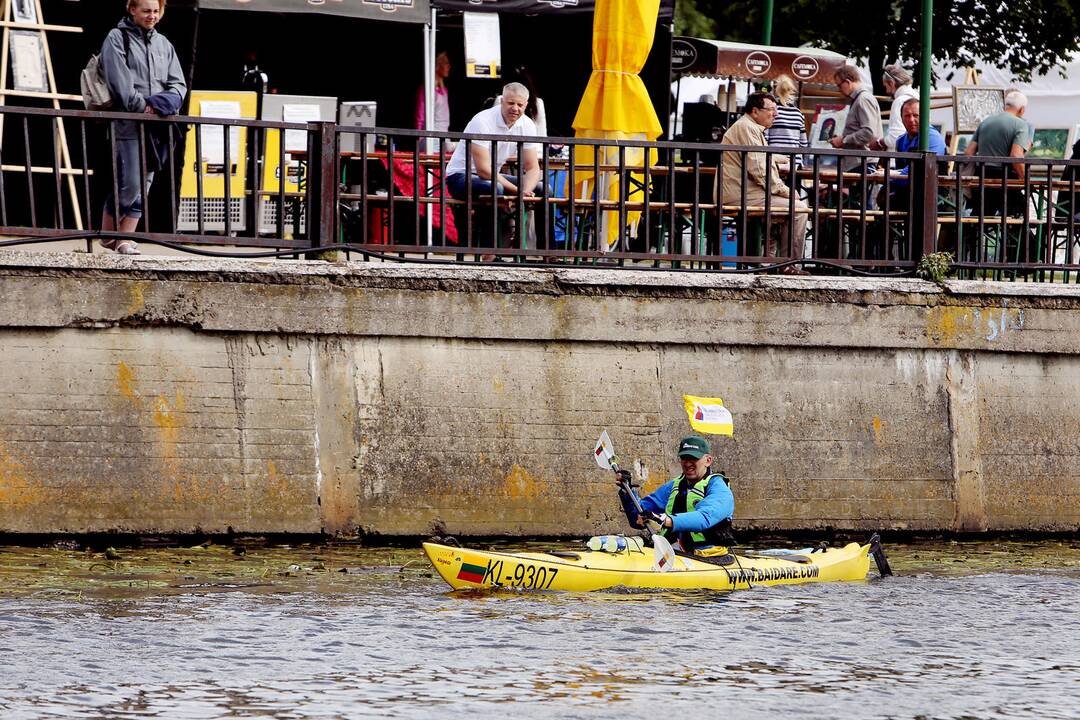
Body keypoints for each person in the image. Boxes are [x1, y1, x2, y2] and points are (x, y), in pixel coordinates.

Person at [99, 0, 186, 255]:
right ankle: (107, 233)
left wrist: (161, 106)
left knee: (145, 182)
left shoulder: (164, 44)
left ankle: (124, 239)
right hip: (128, 123)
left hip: (157, 125)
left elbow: (178, 85)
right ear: (132, 9)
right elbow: (120, 83)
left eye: (156, 11)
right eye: (146, 11)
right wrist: (143, 108)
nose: (152, 16)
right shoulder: (116, 38)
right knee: (131, 181)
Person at [445, 83, 543, 253]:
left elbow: (533, 168)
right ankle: (489, 250)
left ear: (526, 104)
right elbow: (483, 169)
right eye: (510, 103)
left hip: (492, 176)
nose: (515, 108)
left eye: (520, 105)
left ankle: (546, 251)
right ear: (502, 101)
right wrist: (517, 190)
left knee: (543, 188)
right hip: (460, 176)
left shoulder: (527, 125)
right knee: (493, 186)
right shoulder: (482, 120)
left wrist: (525, 190)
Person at [717, 91, 809, 274]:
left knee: (783, 211)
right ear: (755, 111)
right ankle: (787, 264)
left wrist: (779, 159)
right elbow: (760, 169)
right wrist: (785, 190)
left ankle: (768, 262)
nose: (775, 114)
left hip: (744, 192)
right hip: (740, 194)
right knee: (799, 209)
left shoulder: (748, 126)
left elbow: (758, 158)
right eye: (771, 109)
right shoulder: (748, 128)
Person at [616, 436, 735, 554]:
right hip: (673, 551)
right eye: (684, 458)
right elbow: (636, 517)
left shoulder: (719, 488)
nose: (688, 464)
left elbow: (704, 518)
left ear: (708, 460)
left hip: (709, 554)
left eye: (693, 458)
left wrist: (665, 520)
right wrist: (627, 490)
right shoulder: (674, 486)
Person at [964, 90, 1030, 214]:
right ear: (1021, 110)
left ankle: (972, 232)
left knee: (981, 215)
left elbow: (968, 152)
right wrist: (1025, 179)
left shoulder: (985, 122)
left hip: (981, 178)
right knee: (1020, 211)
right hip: (1004, 182)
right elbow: (1016, 156)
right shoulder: (1020, 124)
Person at [830, 65, 883, 172]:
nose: (839, 90)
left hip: (863, 163)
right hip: (860, 162)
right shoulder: (861, 99)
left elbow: (869, 132)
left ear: (848, 82)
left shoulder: (863, 99)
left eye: (839, 86)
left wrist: (844, 140)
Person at [870, 64, 918, 152]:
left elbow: (896, 137)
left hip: (900, 159)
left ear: (892, 83)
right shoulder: (918, 98)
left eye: (886, 86)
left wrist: (879, 142)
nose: (886, 91)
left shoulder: (900, 101)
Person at [765, 74, 809, 170]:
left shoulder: (772, 112)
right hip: (794, 163)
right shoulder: (798, 113)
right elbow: (804, 143)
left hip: (774, 160)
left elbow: (765, 137)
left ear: (774, 90)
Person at [414, 51, 451, 133]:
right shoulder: (426, 90)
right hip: (432, 136)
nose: (449, 66)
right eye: (445, 63)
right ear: (437, 65)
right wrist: (419, 137)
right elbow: (419, 118)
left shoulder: (444, 91)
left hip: (444, 136)